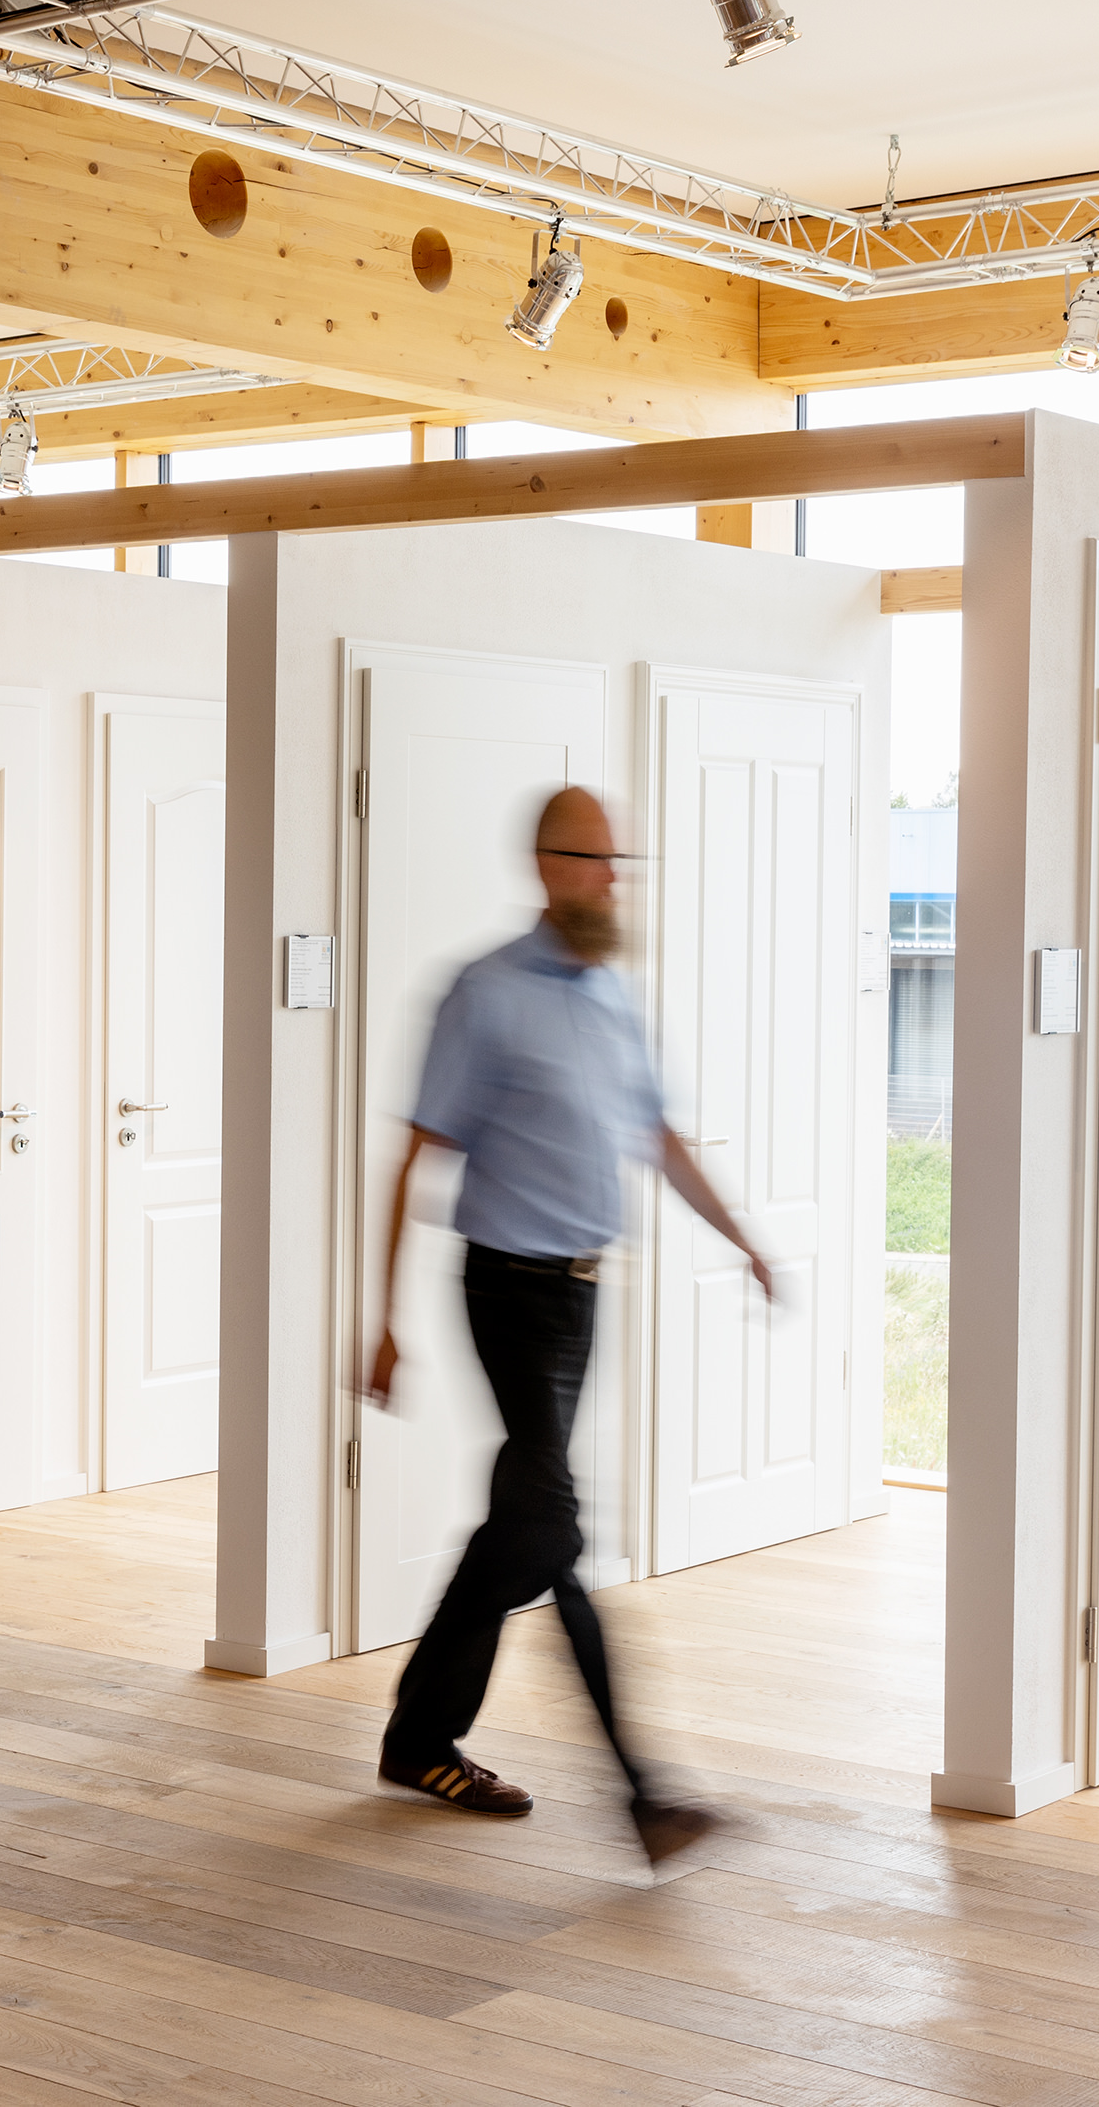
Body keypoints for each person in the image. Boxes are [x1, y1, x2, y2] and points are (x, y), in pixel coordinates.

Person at [364, 784, 774, 1867]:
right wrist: (385, 1319)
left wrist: (742, 1237)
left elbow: (658, 1135)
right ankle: (645, 1794)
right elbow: (414, 1155)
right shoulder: (484, 993)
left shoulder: (612, 995)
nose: (613, 879)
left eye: (619, 861)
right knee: (553, 1532)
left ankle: (418, 1739)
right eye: (594, 860)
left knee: (522, 1524)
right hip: (505, 1289)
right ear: (547, 866)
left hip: (581, 1295)